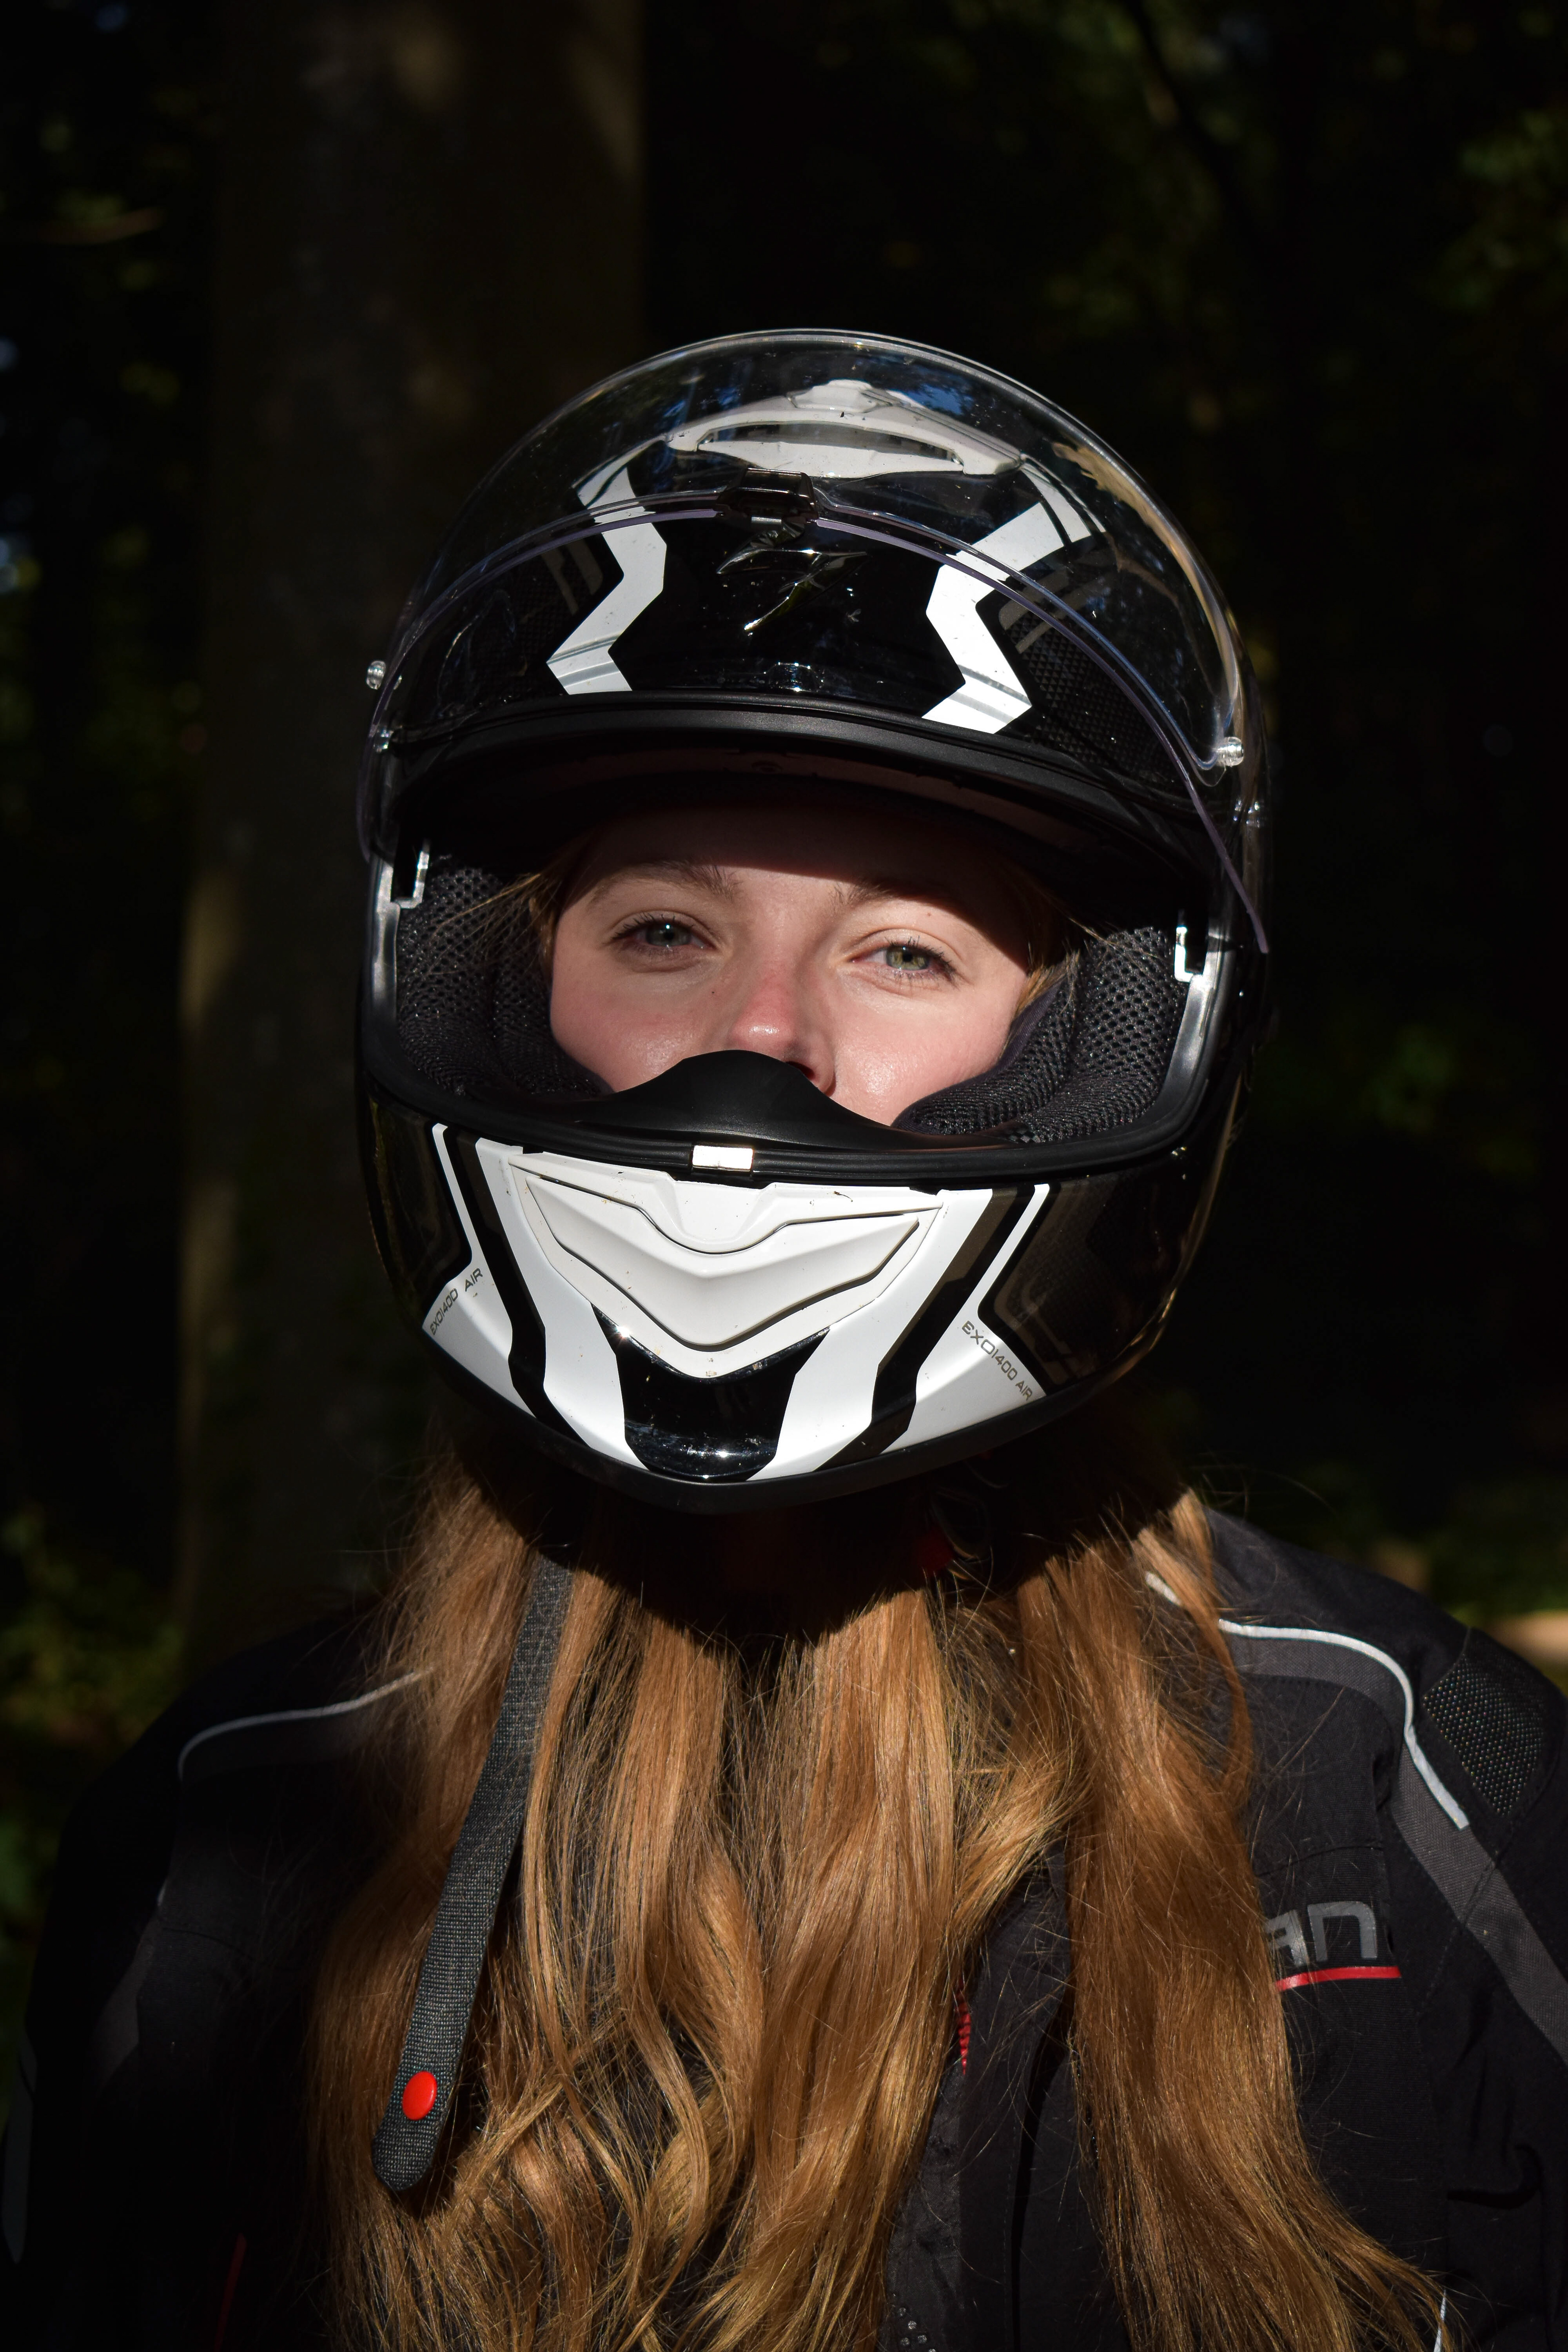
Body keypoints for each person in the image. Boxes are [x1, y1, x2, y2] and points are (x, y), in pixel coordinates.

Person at [4, 331, 1566, 2352]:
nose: (760, 1042)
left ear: (1094, 1043)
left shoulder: (1419, 1790)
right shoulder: (227, 1837)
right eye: (664, 930)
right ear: (490, 991)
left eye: (904, 950)